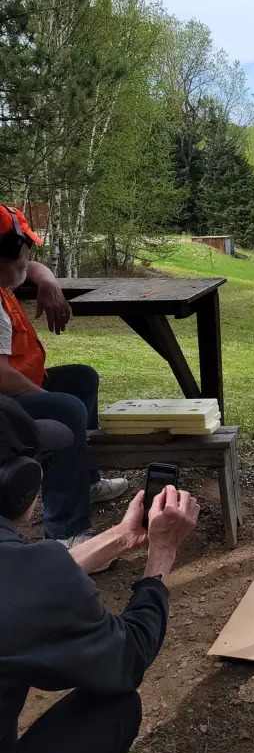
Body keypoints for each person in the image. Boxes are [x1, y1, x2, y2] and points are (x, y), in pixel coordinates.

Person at [0, 394, 200, 753]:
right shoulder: (30, 576)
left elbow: (22, 581)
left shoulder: (25, 573)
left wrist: (121, 538)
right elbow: (129, 658)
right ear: (18, 483)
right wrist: (163, 553)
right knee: (116, 705)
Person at [0, 204, 129, 551]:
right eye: (23, 253)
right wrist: (40, 397)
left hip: (14, 391)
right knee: (66, 409)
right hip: (5, 399)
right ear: (7, 254)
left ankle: (83, 482)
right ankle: (65, 533)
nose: (28, 260)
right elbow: (1, 377)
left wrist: (47, 280)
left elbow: (34, 268)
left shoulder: (4, 279)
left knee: (81, 379)